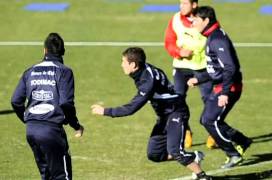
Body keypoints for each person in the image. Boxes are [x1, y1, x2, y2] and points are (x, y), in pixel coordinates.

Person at [91, 47, 213, 179]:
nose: (121, 65)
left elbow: (132, 108)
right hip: (164, 115)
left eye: (123, 62)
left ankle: (202, 176)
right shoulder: (143, 70)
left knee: (175, 151)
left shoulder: (147, 81)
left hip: (176, 112)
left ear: (133, 65)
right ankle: (194, 156)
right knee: (155, 154)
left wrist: (105, 111)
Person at [11, 33, 84, 179]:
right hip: (52, 132)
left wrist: (27, 119)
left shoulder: (30, 71)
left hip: (31, 131)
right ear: (63, 52)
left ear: (44, 50)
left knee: (47, 176)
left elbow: (15, 101)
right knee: (62, 177)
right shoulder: (64, 71)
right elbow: (65, 103)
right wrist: (75, 125)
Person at [188, 6, 252, 169]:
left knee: (210, 120)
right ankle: (242, 141)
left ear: (206, 20)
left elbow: (230, 67)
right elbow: (216, 68)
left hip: (228, 88)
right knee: (207, 120)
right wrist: (200, 78)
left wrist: (224, 93)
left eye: (195, 19)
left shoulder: (217, 39)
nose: (192, 22)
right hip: (221, 86)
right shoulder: (212, 36)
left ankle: (233, 154)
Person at [164, 0, 216, 148]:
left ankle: (213, 132)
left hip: (202, 69)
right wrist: (179, 52)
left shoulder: (204, 20)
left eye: (185, 3)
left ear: (194, 5)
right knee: (177, 100)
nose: (181, 6)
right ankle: (186, 130)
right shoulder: (175, 19)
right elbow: (168, 41)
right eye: (180, 3)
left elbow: (215, 39)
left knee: (209, 101)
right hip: (181, 67)